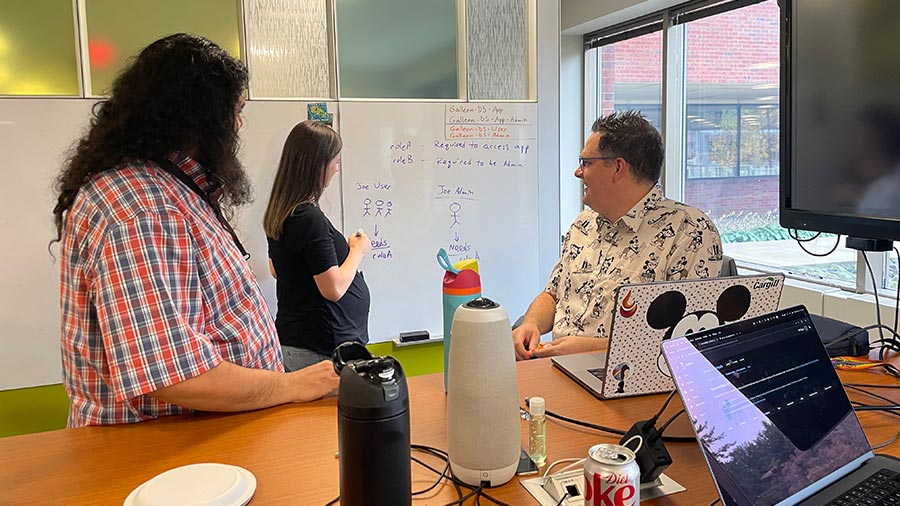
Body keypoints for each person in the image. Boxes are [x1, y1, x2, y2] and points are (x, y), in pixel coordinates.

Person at [52, 34, 338, 427]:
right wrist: (290, 386)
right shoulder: (144, 209)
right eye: (235, 111)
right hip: (164, 456)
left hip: (208, 437)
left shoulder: (173, 190)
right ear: (201, 118)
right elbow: (172, 372)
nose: (239, 124)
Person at [513, 110, 723, 360]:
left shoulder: (689, 232)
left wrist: (591, 349)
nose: (578, 173)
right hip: (557, 366)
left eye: (586, 163)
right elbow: (553, 294)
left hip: (623, 379)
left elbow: (686, 338)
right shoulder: (584, 224)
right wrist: (532, 324)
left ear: (618, 167)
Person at [263, 121, 372, 371]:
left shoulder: (282, 211)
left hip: (303, 344)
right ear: (318, 166)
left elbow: (276, 269)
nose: (337, 167)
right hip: (318, 351)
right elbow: (332, 289)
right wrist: (357, 251)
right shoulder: (308, 218)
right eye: (335, 161)